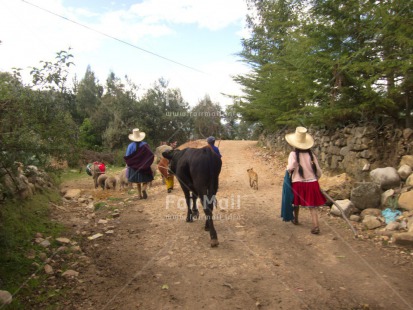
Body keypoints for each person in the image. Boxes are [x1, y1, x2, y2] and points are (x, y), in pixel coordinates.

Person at [285, 127, 326, 234]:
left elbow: (290, 168)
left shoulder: (293, 154)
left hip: (298, 183)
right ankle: (316, 225)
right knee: (312, 206)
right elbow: (318, 171)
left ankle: (296, 219)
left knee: (296, 203)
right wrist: (315, 179)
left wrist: (289, 170)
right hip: (312, 183)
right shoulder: (311, 155)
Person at [124, 128, 154, 199]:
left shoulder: (130, 146)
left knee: (138, 182)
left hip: (134, 167)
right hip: (144, 166)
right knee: (146, 179)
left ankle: (139, 195)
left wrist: (130, 163)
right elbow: (150, 154)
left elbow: (127, 156)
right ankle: (144, 188)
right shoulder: (145, 145)